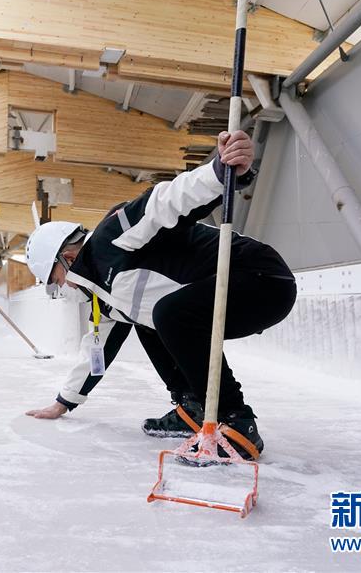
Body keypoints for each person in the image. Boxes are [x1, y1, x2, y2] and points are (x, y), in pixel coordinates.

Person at [23, 131, 296, 460]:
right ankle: (191, 408)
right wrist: (63, 402)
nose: (63, 289)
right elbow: (96, 354)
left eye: (55, 279)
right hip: (226, 294)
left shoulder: (111, 239)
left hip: (259, 278)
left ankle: (236, 422)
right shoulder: (105, 299)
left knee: (168, 313)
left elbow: (165, 202)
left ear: (65, 259)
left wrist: (220, 172)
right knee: (151, 317)